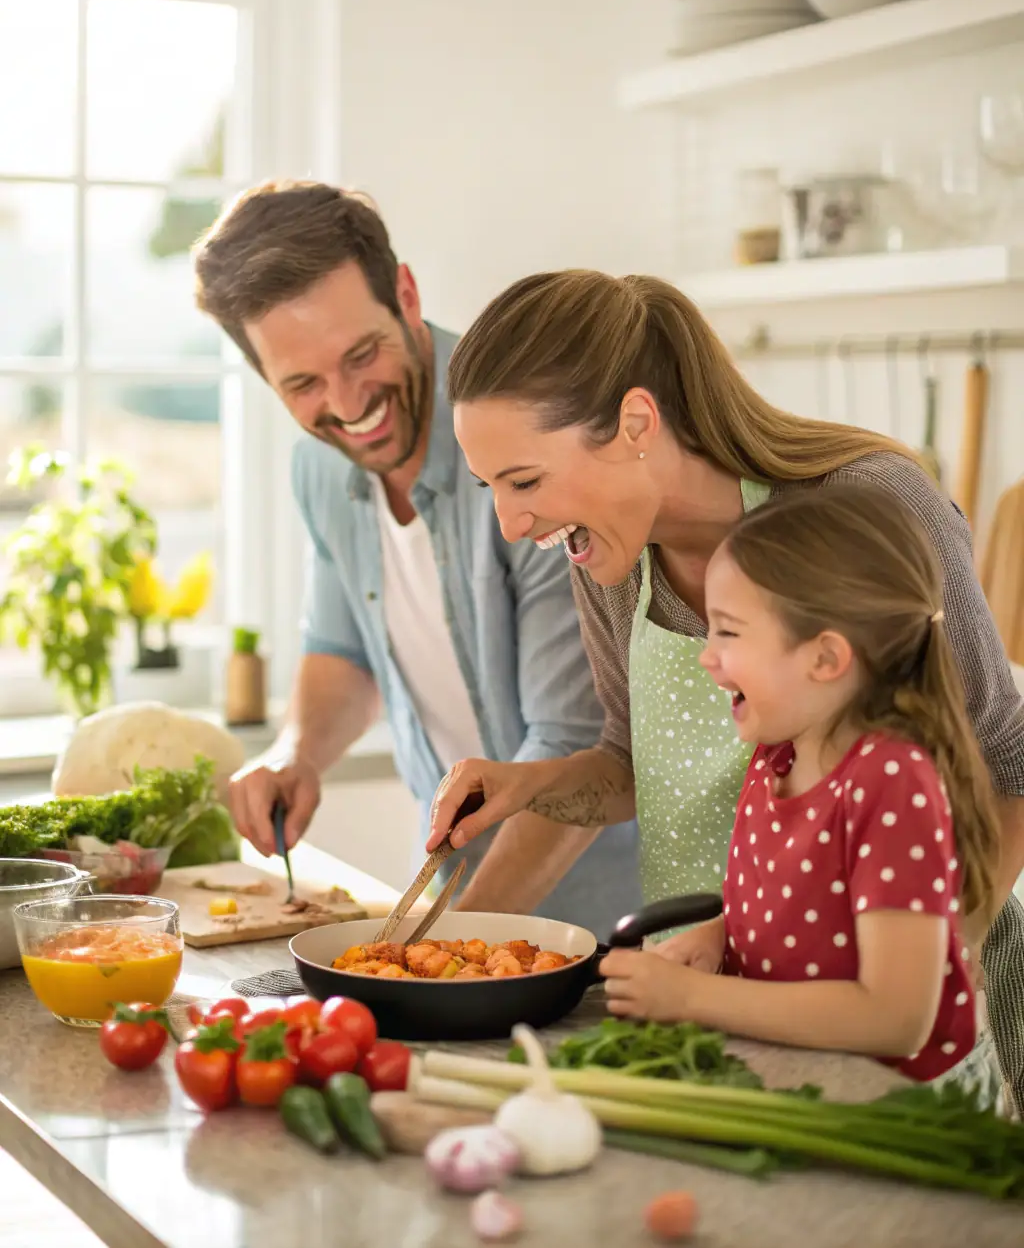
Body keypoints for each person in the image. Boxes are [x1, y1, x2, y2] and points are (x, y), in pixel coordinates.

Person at [428, 268, 1024, 1110]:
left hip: (894, 1016)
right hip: (725, 1005)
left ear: (636, 423)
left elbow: (1008, 764)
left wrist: (924, 969)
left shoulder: (868, 506)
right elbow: (632, 764)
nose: (511, 525)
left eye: (525, 481)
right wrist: (530, 785)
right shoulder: (605, 556)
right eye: (491, 487)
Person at [191, 187, 641, 938]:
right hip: (456, 895)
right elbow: (343, 652)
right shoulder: (321, 470)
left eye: (361, 353)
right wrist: (298, 753)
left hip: (606, 918)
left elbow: (575, 740)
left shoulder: (526, 444)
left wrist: (444, 947)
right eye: (301, 383)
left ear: (405, 292)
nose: (347, 401)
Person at [601, 483, 999, 1093]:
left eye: (728, 633)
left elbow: (895, 1019)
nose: (707, 657)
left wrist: (696, 997)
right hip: (804, 1085)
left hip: (893, 1117)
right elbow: (791, 915)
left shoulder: (890, 782)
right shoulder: (776, 756)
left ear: (825, 659)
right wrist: (717, 938)